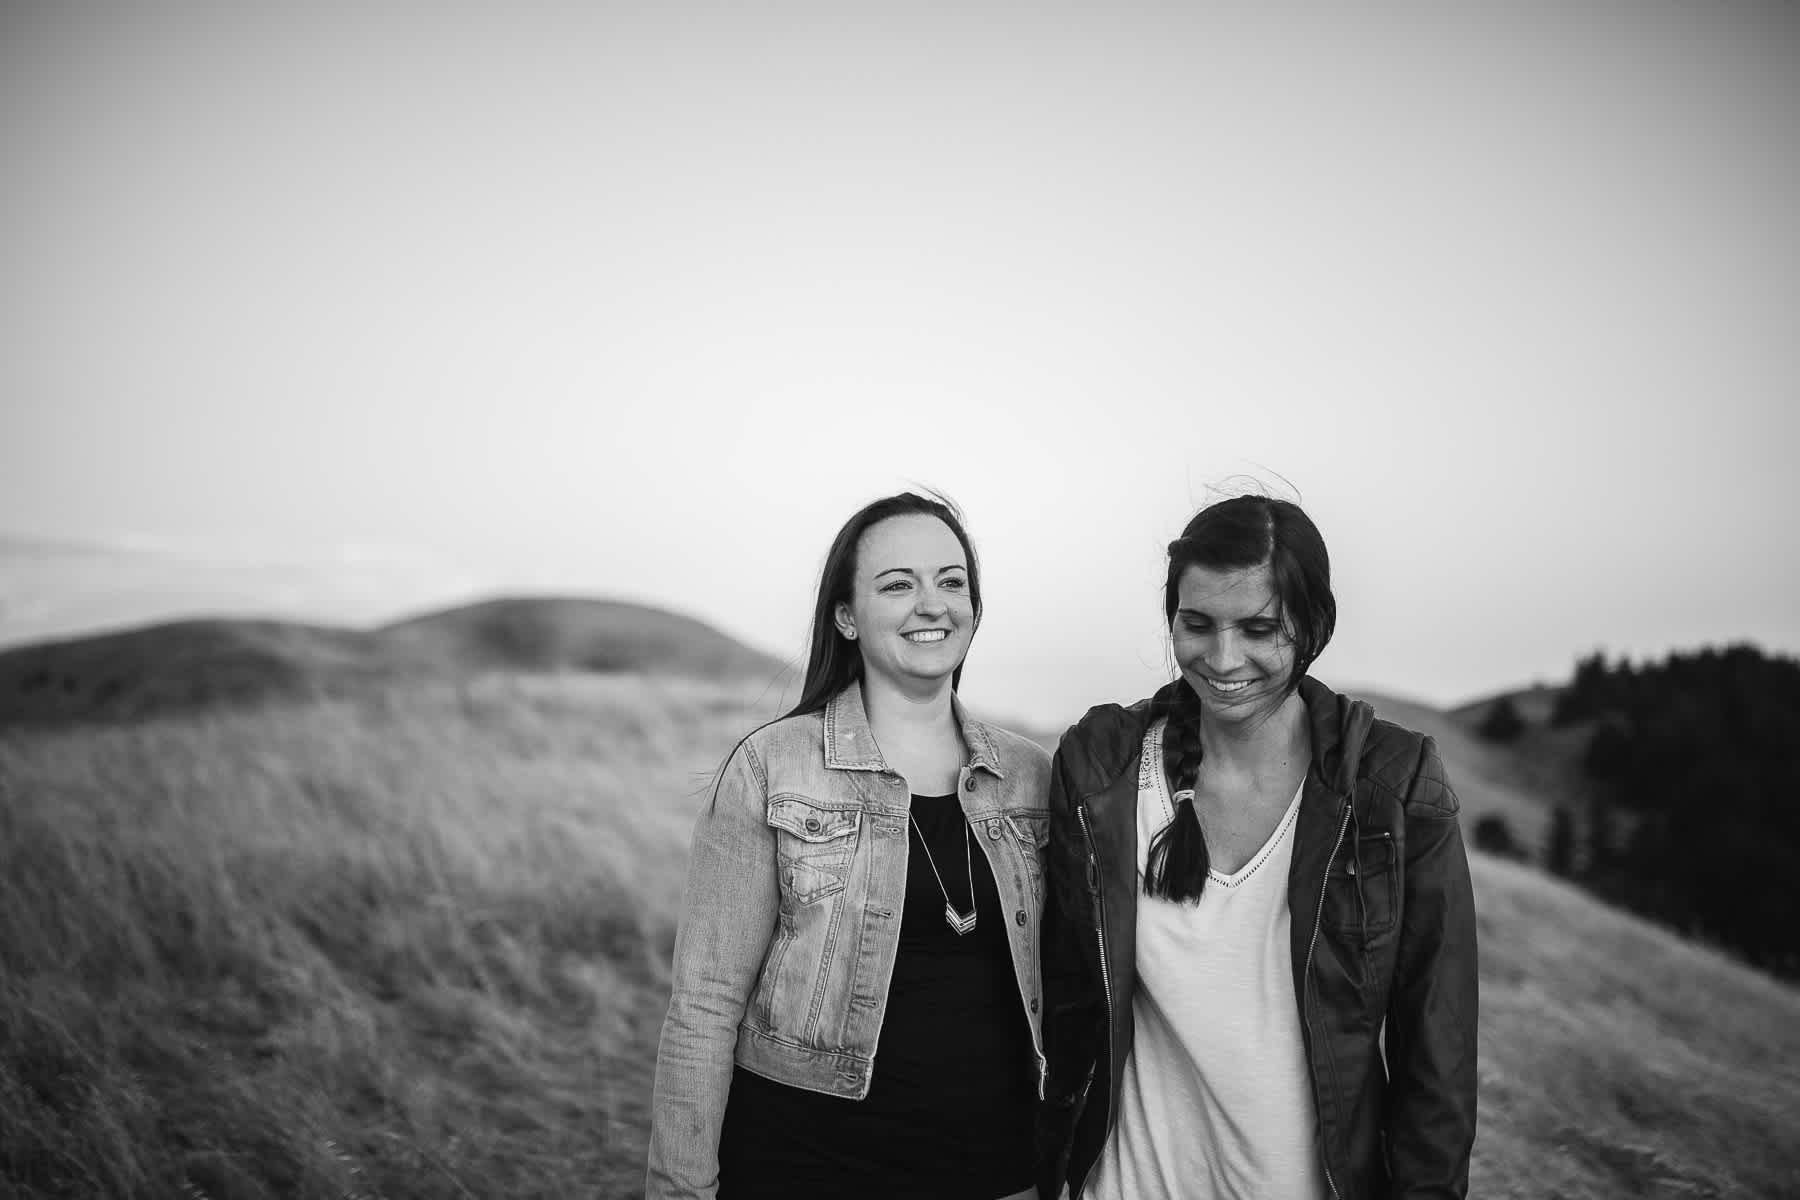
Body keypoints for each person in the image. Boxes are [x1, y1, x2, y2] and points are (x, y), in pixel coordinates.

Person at [1037, 494, 1478, 1200]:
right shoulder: (1102, 770)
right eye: (1198, 625)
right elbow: (1063, 1005)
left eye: (1259, 628)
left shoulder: (1392, 787)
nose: (1222, 658)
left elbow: (1438, 1054)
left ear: (1313, 627)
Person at [646, 491, 1052, 1200]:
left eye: (951, 581)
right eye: (898, 584)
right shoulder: (772, 766)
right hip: (806, 1165)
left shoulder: (1030, 776)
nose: (933, 604)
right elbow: (705, 1005)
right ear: (847, 617)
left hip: (999, 1169)